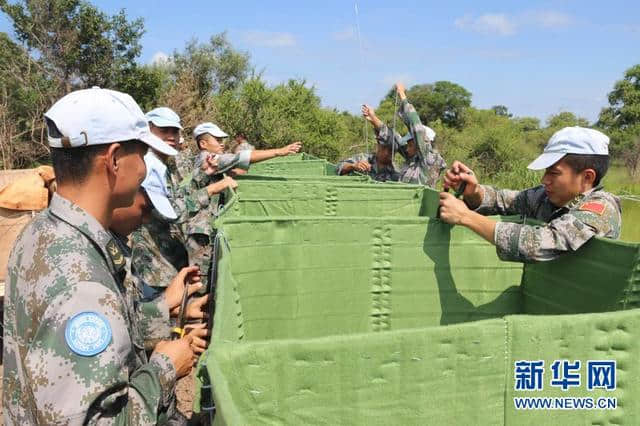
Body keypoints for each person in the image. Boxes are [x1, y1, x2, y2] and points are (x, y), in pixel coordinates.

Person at [3, 87, 195, 424]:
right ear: (116, 159)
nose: (143, 170)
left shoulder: (44, 231)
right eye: (142, 154)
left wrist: (163, 309)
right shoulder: (82, 282)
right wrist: (164, 369)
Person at [438, 126, 622, 263]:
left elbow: (540, 243)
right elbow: (503, 200)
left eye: (554, 173)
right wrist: (474, 191)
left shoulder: (599, 210)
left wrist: (465, 216)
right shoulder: (547, 197)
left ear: (587, 177)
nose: (544, 180)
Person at [366, 83, 447, 187]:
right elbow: (394, 138)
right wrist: (374, 119)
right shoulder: (412, 158)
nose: (407, 149)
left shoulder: (428, 160)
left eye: (410, 145)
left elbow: (416, 128)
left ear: (422, 143)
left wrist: (402, 95)